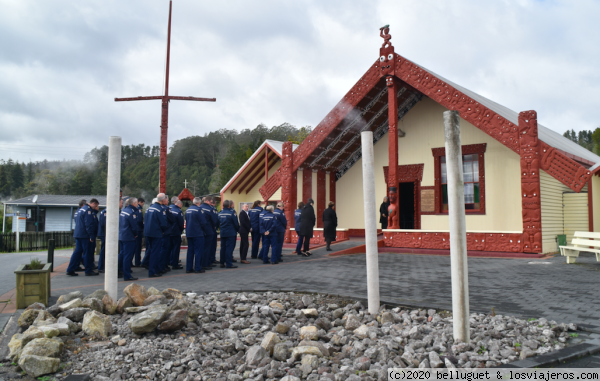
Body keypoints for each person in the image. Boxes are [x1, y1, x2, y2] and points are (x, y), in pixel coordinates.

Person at [66, 199, 99, 276]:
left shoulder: (80, 210)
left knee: (77, 252)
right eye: (96, 205)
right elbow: (88, 224)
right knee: (87, 252)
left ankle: (70, 269)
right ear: (93, 203)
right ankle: (88, 270)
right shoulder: (88, 210)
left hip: (78, 234)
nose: (96, 207)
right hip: (85, 235)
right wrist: (91, 235)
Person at [144, 194, 170, 277]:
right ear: (162, 200)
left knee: (151, 251)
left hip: (148, 233)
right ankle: (152, 271)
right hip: (156, 233)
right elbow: (163, 223)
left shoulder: (149, 208)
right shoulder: (160, 209)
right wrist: (163, 231)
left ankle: (156, 268)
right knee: (155, 252)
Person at [184, 197, 206, 274]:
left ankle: (189, 268)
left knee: (190, 251)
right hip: (198, 233)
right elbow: (203, 222)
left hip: (189, 233)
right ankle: (197, 268)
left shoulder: (187, 210)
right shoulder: (199, 210)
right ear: (199, 203)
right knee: (198, 251)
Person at [119, 197, 139, 281]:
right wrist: (135, 234)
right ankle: (127, 275)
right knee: (128, 256)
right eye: (137, 202)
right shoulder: (131, 213)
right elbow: (133, 226)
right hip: (129, 237)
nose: (137, 204)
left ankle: (119, 270)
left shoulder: (123, 211)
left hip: (122, 235)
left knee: (122, 254)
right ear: (133, 203)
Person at [218, 200, 240, 268]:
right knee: (229, 249)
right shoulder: (232, 212)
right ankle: (229, 263)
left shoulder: (220, 213)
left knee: (223, 248)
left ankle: (222, 262)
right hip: (231, 233)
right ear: (229, 206)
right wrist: (238, 230)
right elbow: (236, 223)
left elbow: (218, 222)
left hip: (223, 232)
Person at [200, 196, 218, 270]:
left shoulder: (199, 207)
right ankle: (206, 263)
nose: (211, 203)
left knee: (201, 247)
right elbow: (214, 220)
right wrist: (214, 226)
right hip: (209, 230)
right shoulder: (210, 209)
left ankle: (201, 263)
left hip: (201, 230)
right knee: (208, 248)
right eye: (211, 201)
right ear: (207, 201)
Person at [141, 197, 158, 269]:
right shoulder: (157, 210)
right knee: (152, 249)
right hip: (154, 232)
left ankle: (145, 262)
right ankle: (146, 262)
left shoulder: (148, 210)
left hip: (147, 232)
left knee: (149, 248)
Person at [169, 200, 185, 270]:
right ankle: (175, 264)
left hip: (169, 232)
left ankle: (170, 261)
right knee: (176, 249)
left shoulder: (169, 210)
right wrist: (181, 231)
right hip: (176, 232)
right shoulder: (179, 211)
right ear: (180, 205)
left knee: (169, 248)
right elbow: (181, 223)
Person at [132, 197, 145, 267]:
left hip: (135, 229)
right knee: (137, 247)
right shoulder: (139, 210)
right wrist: (143, 226)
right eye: (143, 203)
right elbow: (139, 220)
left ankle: (132, 262)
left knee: (134, 247)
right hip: (138, 230)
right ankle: (137, 262)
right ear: (140, 202)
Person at [97, 207, 107, 273]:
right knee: (103, 250)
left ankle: (102, 266)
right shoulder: (105, 212)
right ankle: (101, 267)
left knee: (104, 250)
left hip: (105, 233)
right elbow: (104, 223)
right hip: (104, 233)